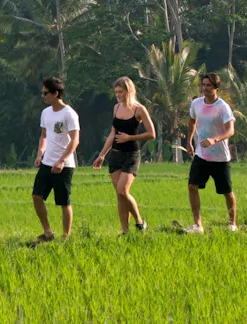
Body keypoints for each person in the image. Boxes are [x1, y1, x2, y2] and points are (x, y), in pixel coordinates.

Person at [92, 76, 155, 235]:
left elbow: (151, 134)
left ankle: (140, 222)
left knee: (122, 191)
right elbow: (113, 133)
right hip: (115, 155)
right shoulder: (116, 108)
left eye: (121, 92)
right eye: (116, 92)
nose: (118, 95)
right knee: (119, 196)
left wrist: (130, 138)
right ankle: (125, 231)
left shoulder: (139, 109)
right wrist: (102, 155)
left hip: (131, 155)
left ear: (129, 91)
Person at [185, 72, 238, 233]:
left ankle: (232, 224)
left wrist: (215, 139)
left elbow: (230, 131)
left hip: (220, 158)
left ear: (216, 88)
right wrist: (189, 140)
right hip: (202, 155)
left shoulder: (223, 107)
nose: (205, 88)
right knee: (192, 186)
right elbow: (192, 120)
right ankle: (198, 225)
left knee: (227, 191)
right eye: (203, 85)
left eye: (209, 85)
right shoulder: (196, 103)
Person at [31, 76, 80, 244]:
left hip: (64, 166)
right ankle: (48, 233)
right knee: (36, 196)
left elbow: (75, 140)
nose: (43, 96)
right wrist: (40, 154)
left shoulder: (69, 114)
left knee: (63, 202)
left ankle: (66, 238)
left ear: (56, 93)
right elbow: (44, 136)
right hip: (47, 162)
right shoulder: (46, 113)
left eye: (45, 93)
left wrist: (61, 160)